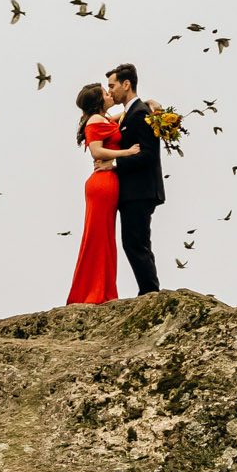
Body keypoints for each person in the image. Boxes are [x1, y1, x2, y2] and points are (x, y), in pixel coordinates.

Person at [66, 81, 138, 305]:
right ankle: (95, 292)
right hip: (102, 184)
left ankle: (97, 289)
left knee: (102, 237)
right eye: (106, 93)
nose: (110, 94)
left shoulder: (102, 119)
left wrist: (146, 104)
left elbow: (125, 116)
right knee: (100, 238)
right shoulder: (97, 120)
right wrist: (127, 152)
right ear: (99, 101)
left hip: (106, 182)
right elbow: (96, 150)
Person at [106, 62, 165, 295]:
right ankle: (149, 292)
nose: (109, 91)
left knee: (136, 244)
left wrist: (115, 164)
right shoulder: (133, 112)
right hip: (135, 191)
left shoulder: (139, 113)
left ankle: (150, 293)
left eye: (112, 85)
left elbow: (149, 155)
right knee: (135, 243)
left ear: (126, 84)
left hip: (140, 191)